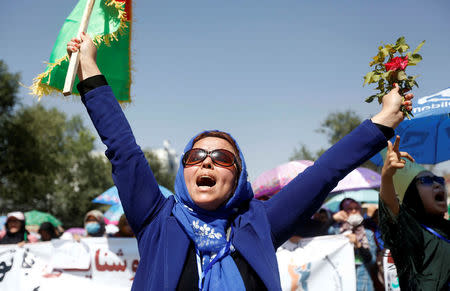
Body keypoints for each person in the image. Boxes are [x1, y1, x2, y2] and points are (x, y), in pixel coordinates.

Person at [66, 33, 413, 290]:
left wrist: (383, 120)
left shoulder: (260, 222)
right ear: (183, 169)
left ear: (238, 178)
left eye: (221, 158)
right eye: (196, 156)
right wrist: (89, 67)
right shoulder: (157, 219)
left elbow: (324, 173)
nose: (206, 163)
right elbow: (123, 150)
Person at [379, 136, 449, 291]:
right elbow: (390, 208)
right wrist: (387, 176)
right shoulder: (408, 231)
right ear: (411, 196)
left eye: (439, 179)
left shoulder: (447, 228)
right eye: (427, 181)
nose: (438, 184)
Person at [330, 198, 377, 291]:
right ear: (342, 212)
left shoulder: (367, 234)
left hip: (363, 284)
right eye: (349, 209)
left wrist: (358, 244)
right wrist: (333, 219)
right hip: (341, 284)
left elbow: (372, 261)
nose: (354, 211)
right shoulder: (335, 233)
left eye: (357, 208)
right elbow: (320, 233)